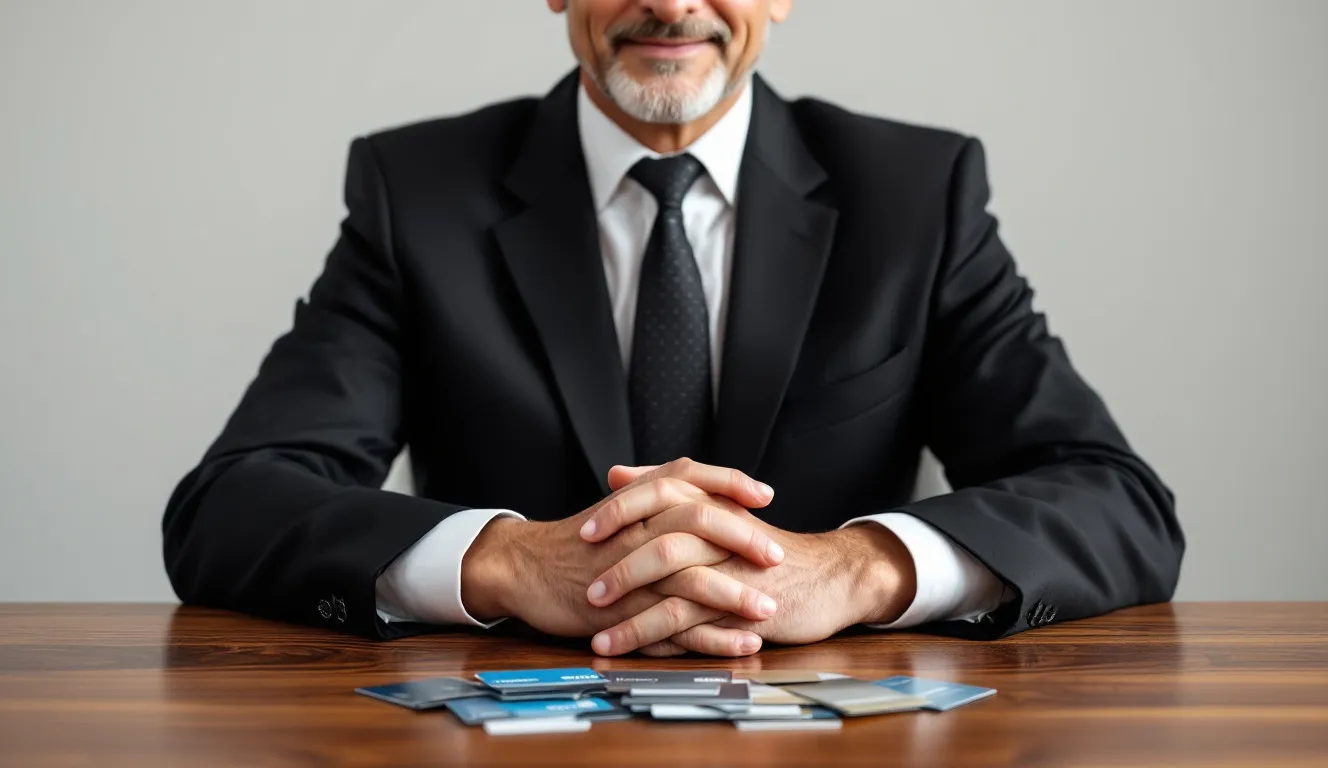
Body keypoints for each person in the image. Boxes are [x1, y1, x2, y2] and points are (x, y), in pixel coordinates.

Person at [162, 0, 1183, 658]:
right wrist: (510, 563)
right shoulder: (418, 193)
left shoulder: (918, 195)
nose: (669, 4)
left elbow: (1117, 502)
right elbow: (230, 507)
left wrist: (859, 568)